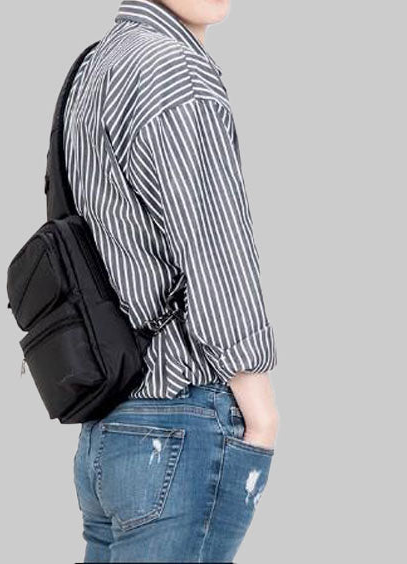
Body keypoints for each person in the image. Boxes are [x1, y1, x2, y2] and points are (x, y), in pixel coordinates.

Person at [64, 1, 280, 561]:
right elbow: (214, 247)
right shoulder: (173, 69)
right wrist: (260, 410)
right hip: (179, 420)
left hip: (111, 425)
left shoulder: (97, 63)